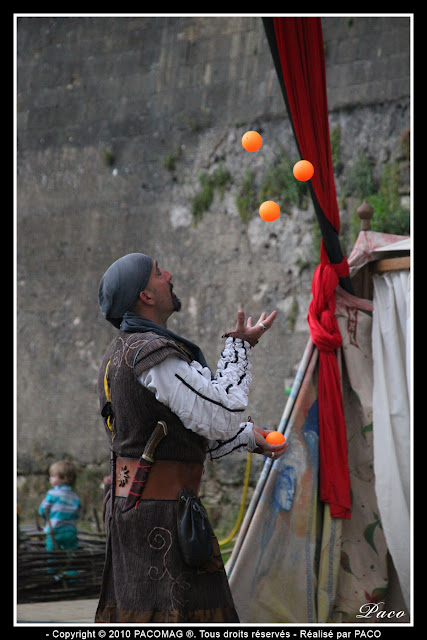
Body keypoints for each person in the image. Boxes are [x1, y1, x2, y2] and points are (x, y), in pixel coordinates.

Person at [95, 252, 288, 623]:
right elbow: (221, 413)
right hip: (160, 519)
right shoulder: (153, 355)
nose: (169, 274)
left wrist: (250, 437)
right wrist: (240, 348)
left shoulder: (119, 353)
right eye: (157, 272)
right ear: (145, 296)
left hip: (139, 511)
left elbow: (177, 433)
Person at [38, 460, 81, 551]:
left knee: (52, 553)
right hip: (70, 531)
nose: (50, 479)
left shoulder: (52, 494)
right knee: (70, 553)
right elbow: (78, 513)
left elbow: (42, 509)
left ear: (64, 478)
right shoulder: (75, 496)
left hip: (54, 530)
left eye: (53, 476)